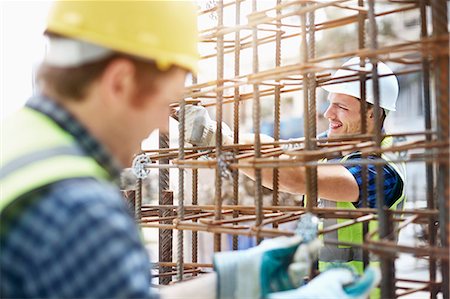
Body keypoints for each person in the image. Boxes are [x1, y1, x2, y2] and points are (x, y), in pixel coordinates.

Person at [0, 2, 379, 299]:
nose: (163, 126)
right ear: (120, 82)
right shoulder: (79, 207)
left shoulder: (21, 145)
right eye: (164, 103)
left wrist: (229, 283)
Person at [183, 57, 406, 279]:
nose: (328, 113)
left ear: (373, 114)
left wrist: (219, 141)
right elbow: (273, 150)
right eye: (330, 103)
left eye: (341, 106)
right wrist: (219, 136)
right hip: (324, 289)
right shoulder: (333, 146)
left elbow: (294, 177)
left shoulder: (382, 171)